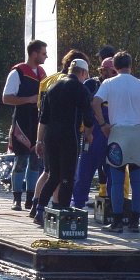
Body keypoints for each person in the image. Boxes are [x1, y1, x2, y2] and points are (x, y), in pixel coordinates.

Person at [91, 51, 140, 233]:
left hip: (118, 132)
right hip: (138, 133)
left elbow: (95, 102)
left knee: (117, 181)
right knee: (136, 180)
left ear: (115, 66)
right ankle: (134, 222)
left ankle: (117, 222)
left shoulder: (109, 83)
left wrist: (102, 124)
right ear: (130, 65)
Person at [26, 49, 90, 218]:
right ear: (83, 73)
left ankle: (39, 209)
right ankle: (63, 213)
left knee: (53, 176)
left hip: (50, 137)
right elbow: (88, 117)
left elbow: (43, 118)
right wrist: (89, 134)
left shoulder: (52, 87)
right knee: (67, 178)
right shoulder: (80, 89)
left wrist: (39, 141)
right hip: (69, 137)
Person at [2, 39, 47, 211]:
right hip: (21, 122)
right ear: (34, 53)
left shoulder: (42, 73)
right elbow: (6, 98)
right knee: (20, 160)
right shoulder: (18, 72)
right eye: (43, 53)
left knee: (35, 161)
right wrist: (29, 99)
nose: (46, 56)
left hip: (37, 123)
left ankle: (30, 199)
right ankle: (16, 199)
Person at [71, 56, 118, 208]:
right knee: (85, 169)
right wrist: (87, 131)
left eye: (114, 71)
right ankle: (78, 203)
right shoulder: (91, 84)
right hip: (94, 133)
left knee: (114, 172)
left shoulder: (119, 86)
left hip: (114, 133)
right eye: (109, 71)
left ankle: (114, 205)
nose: (111, 74)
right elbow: (84, 108)